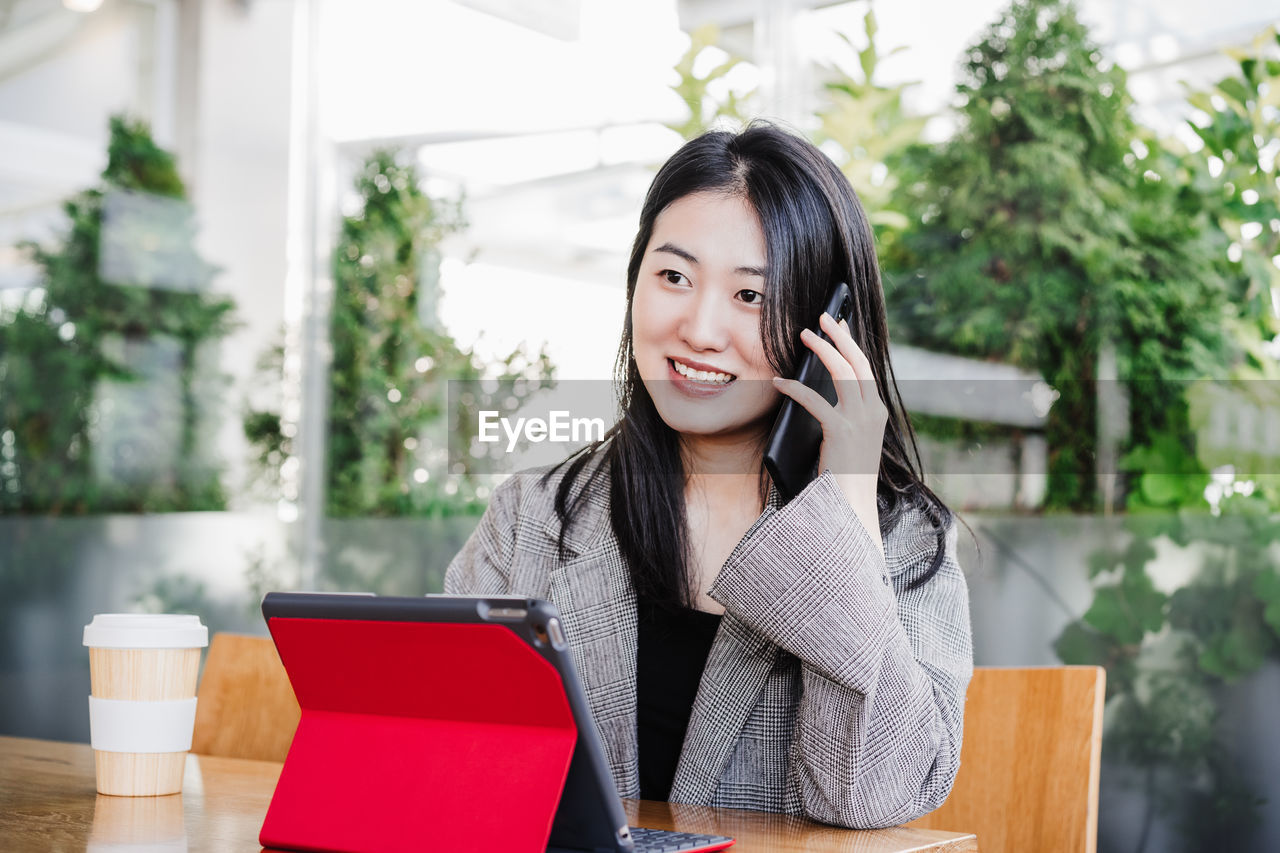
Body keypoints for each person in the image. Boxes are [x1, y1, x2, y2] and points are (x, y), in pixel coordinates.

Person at [444, 121, 973, 830]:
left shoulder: (903, 538)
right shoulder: (532, 517)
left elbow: (870, 796)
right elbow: (447, 758)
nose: (698, 328)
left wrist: (844, 508)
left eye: (751, 296)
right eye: (673, 276)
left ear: (829, 331)